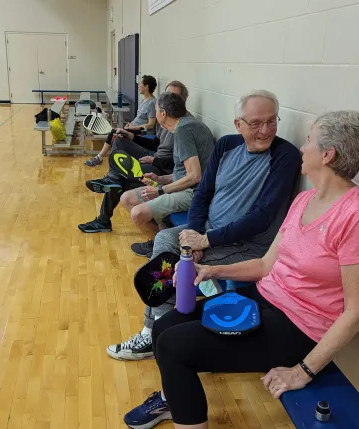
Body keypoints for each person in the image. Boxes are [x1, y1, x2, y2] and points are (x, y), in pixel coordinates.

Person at [123, 110, 359, 429]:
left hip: (299, 328)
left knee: (173, 346)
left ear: (327, 155)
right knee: (165, 327)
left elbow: (358, 311)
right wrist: (210, 271)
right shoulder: (304, 200)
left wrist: (302, 371)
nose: (302, 148)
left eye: (309, 140)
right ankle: (171, 400)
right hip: (264, 300)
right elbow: (265, 264)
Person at [107, 90, 301, 361]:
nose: (265, 130)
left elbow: (262, 217)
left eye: (271, 121)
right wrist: (194, 234)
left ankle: (159, 333)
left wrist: (205, 242)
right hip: (208, 229)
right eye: (256, 123)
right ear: (238, 124)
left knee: (178, 266)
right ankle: (155, 331)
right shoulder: (226, 146)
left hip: (247, 244)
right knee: (165, 244)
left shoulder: (285, 156)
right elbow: (203, 193)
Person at [78, 81, 190, 233]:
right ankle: (113, 177)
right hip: (154, 155)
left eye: (174, 96)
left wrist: (155, 160)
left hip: (162, 168)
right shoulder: (165, 119)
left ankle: (104, 218)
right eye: (167, 96)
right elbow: (156, 143)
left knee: (120, 179)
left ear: (184, 100)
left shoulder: (184, 127)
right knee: (119, 140)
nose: (170, 100)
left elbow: (180, 165)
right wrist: (131, 136)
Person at [121, 92, 215, 257]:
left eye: (156, 110)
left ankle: (164, 250)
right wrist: (159, 179)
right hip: (183, 187)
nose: (155, 114)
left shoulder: (184, 130)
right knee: (127, 198)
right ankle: (160, 243)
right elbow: (184, 173)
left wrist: (160, 190)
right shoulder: (184, 126)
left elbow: (195, 176)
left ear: (163, 113)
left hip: (194, 193)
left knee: (137, 213)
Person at [85, 75, 158, 167]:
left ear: (146, 86)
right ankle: (101, 158)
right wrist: (131, 123)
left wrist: (133, 127)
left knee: (114, 133)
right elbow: (139, 118)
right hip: (133, 128)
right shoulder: (144, 100)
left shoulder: (152, 103)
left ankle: (99, 158)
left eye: (140, 84)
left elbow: (151, 125)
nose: (138, 86)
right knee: (114, 133)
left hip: (142, 132)